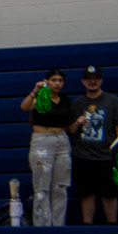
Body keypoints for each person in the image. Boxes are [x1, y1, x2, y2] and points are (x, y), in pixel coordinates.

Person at [68, 67, 118, 226]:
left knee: (110, 194)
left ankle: (112, 224)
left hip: (106, 156)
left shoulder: (113, 101)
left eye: (95, 78)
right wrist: (78, 122)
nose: (92, 81)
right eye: (88, 78)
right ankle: (87, 224)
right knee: (86, 194)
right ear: (83, 81)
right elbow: (71, 130)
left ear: (101, 80)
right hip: (82, 156)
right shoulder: (77, 104)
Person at [20, 68, 73, 226]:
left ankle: (58, 224)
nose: (57, 83)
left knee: (60, 186)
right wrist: (35, 90)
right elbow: (25, 106)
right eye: (54, 80)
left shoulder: (65, 100)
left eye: (60, 80)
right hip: (42, 139)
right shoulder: (42, 97)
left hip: (62, 140)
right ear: (47, 81)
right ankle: (42, 225)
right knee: (42, 186)